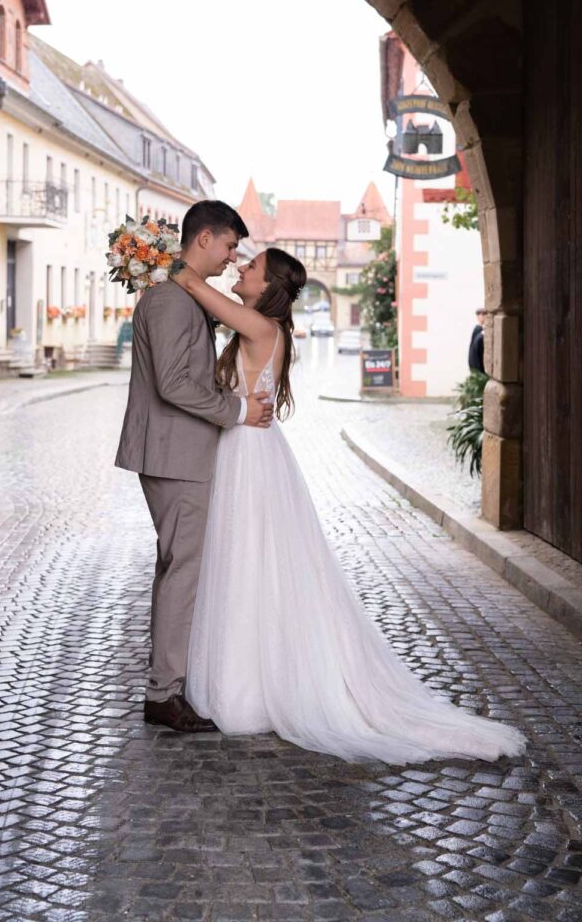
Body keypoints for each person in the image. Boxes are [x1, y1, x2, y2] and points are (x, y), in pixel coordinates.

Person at [170, 250, 526, 763]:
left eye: (250, 266)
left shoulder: (262, 325)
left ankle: (248, 686)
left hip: (250, 455)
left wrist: (154, 257)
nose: (239, 268)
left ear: (268, 285)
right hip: (244, 449)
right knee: (242, 559)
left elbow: (194, 286)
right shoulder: (262, 324)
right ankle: (243, 676)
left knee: (249, 557)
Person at [115, 200, 275, 734]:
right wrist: (235, 411)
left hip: (179, 450)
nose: (233, 259)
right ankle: (164, 693)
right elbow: (173, 384)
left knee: (179, 568)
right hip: (174, 453)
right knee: (182, 572)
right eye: (231, 246)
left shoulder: (183, 297)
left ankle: (169, 685)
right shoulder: (168, 301)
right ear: (204, 238)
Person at [468, 307, 486, 373]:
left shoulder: (480, 330)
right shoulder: (478, 330)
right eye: (480, 315)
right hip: (477, 365)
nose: (482, 317)